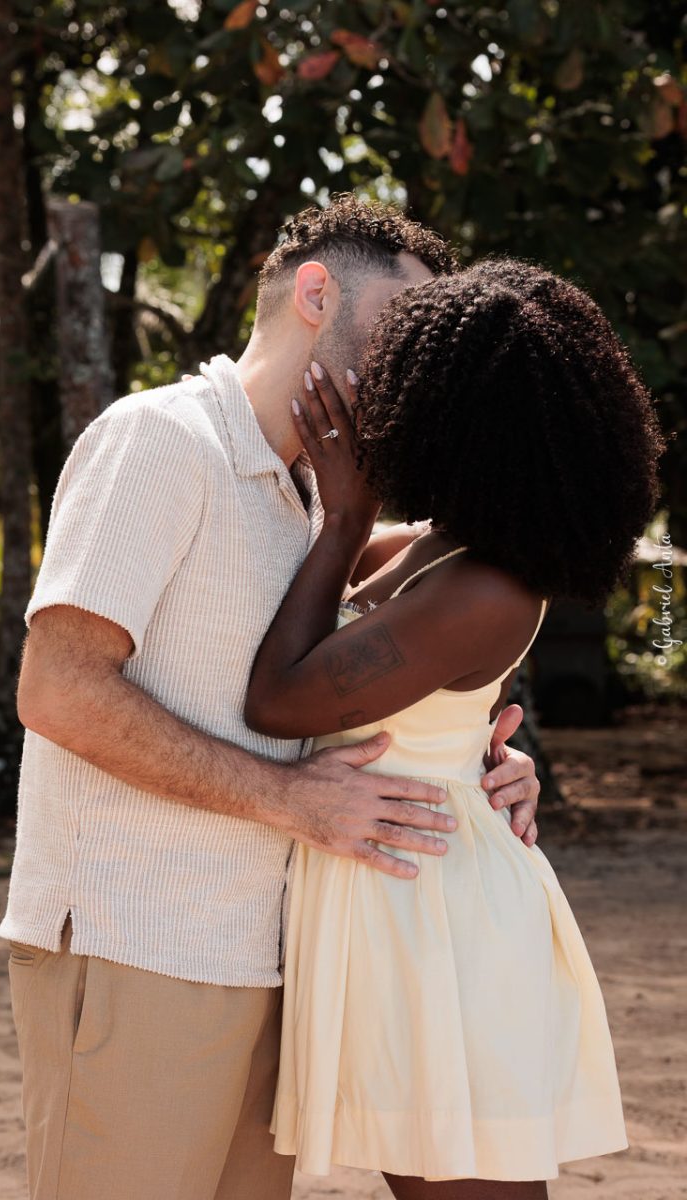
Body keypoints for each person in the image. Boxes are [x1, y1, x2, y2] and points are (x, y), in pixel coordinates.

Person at [0, 198, 543, 1200]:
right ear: (314, 293)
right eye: (403, 321)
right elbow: (57, 690)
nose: (417, 353)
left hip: (272, 961)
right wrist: (289, 800)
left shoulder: (321, 497)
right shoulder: (159, 440)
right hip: (136, 947)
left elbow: (424, 643)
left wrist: (482, 760)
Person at [244, 258, 665, 1199]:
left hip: (441, 920)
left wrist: (345, 518)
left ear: (456, 417)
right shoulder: (439, 544)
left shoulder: (488, 588)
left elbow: (276, 699)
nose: (376, 391)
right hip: (405, 896)